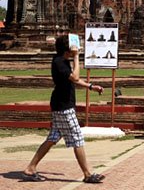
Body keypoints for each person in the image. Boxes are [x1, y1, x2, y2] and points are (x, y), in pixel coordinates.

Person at [23, 35, 105, 183]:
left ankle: (30, 168)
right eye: (72, 49)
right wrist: (77, 57)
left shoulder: (63, 61)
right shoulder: (59, 62)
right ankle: (87, 174)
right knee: (77, 138)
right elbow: (75, 77)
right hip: (63, 107)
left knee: (53, 138)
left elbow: (76, 79)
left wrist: (91, 86)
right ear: (67, 51)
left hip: (61, 105)